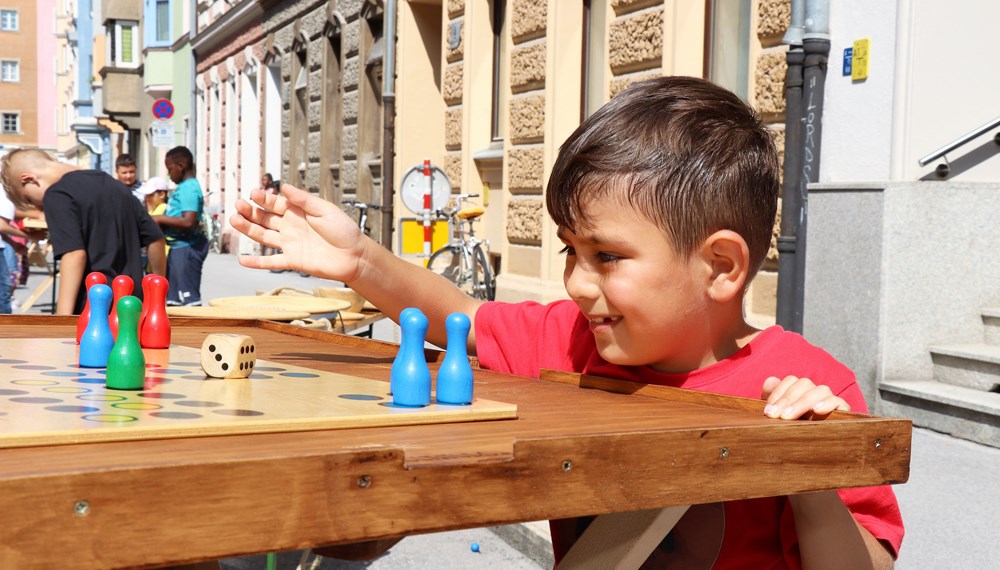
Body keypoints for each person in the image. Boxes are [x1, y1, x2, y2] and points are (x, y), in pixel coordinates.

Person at [229, 77, 903, 567]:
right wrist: (360, 261)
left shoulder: (810, 390)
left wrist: (814, 476)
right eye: (570, 252)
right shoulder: (571, 343)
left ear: (721, 265)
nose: (577, 284)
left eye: (607, 257)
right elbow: (460, 316)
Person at [0, 149, 166, 314]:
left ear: (29, 179)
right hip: (131, 304)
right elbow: (156, 239)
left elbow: (74, 254)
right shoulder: (115, 185)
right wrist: (156, 298)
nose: (38, 206)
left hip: (93, 307)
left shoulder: (57, 194)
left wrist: (62, 319)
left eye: (29, 199)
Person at [152, 146, 208, 306]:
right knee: (173, 299)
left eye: (170, 169)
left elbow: (188, 221)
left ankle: (193, 330)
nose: (169, 175)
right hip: (178, 247)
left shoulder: (189, 188)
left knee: (189, 301)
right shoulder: (183, 187)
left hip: (187, 248)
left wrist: (160, 219)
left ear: (181, 166)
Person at [137, 176, 170, 272]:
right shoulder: (153, 210)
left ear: (162, 194)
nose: (147, 198)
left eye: (151, 195)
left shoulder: (163, 208)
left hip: (163, 255)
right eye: (146, 195)